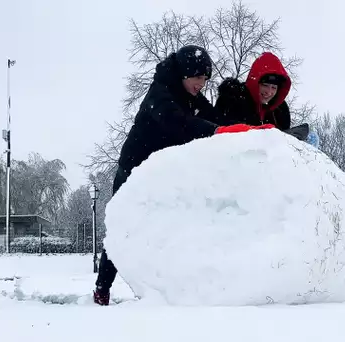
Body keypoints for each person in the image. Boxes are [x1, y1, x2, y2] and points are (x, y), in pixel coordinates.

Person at [93, 45, 273, 306]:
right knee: (124, 227)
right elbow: (178, 123)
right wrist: (217, 132)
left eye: (205, 79)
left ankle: (168, 288)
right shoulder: (160, 94)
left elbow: (214, 118)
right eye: (198, 77)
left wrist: (244, 123)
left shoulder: (191, 96)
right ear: (184, 73)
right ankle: (102, 288)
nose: (202, 83)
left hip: (163, 173)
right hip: (134, 171)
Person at [200, 52, 311, 142]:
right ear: (255, 82)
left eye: (274, 88)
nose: (269, 92)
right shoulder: (232, 98)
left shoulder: (280, 111)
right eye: (265, 85)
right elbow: (220, 131)